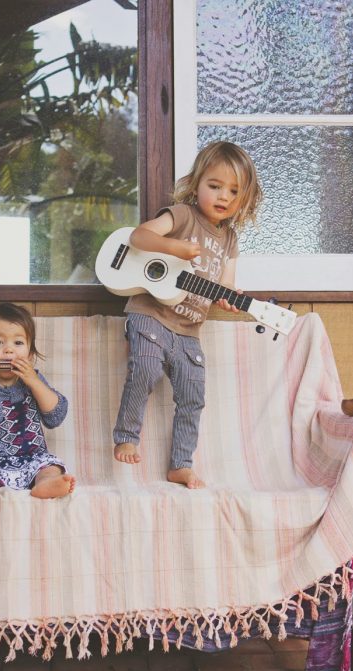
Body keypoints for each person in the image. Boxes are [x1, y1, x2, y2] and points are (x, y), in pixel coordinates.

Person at [113, 141, 262, 488]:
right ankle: (127, 436)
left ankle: (180, 464)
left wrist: (230, 299)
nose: (223, 196)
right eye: (215, 186)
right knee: (146, 369)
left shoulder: (230, 241)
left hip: (189, 330)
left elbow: (226, 285)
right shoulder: (182, 215)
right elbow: (139, 236)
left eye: (234, 191)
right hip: (150, 314)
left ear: (245, 199)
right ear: (196, 184)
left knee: (194, 396)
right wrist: (174, 247)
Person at [0, 302, 75, 505]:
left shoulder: (34, 381)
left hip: (31, 457)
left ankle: (46, 484)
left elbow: (56, 416)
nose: (9, 350)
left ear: (30, 354)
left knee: (50, 466)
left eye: (18, 343)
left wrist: (34, 382)